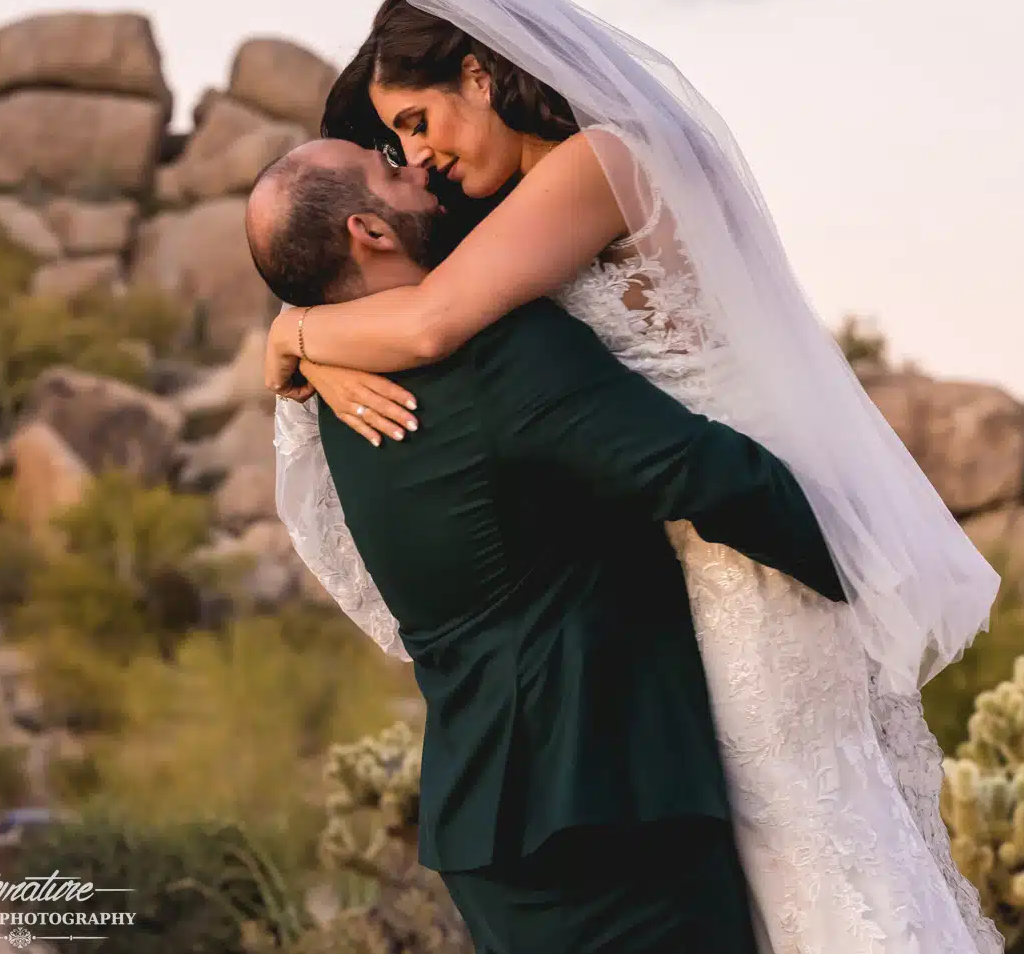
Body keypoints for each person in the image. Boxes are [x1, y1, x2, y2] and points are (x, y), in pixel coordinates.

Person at [264, 0, 1001, 953]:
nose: (419, 157)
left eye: (417, 123)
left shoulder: (605, 159)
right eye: (398, 145)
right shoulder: (519, 200)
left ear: (479, 73)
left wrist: (299, 335)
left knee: (806, 836)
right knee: (777, 850)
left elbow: (433, 318)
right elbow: (406, 294)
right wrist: (306, 330)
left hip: (749, 536)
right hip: (693, 551)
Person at [245, 139, 848, 954]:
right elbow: (701, 472)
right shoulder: (499, 356)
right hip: (607, 807)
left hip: (487, 827)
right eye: (391, 168)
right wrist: (859, 561)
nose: (418, 167)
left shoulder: (335, 401)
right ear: (370, 230)